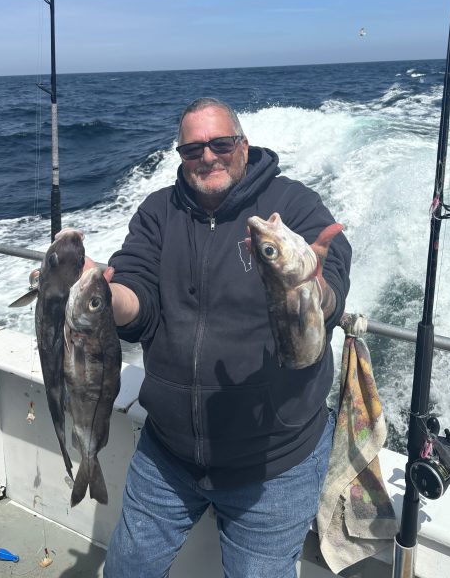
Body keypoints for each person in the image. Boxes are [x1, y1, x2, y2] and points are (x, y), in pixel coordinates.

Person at [102, 97, 351, 578]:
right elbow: (136, 297)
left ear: (243, 145)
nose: (208, 157)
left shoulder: (293, 203)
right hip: (167, 453)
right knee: (125, 570)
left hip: (274, 462)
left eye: (220, 144)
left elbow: (332, 282)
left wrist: (312, 287)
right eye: (192, 149)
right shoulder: (158, 212)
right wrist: (102, 296)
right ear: (180, 156)